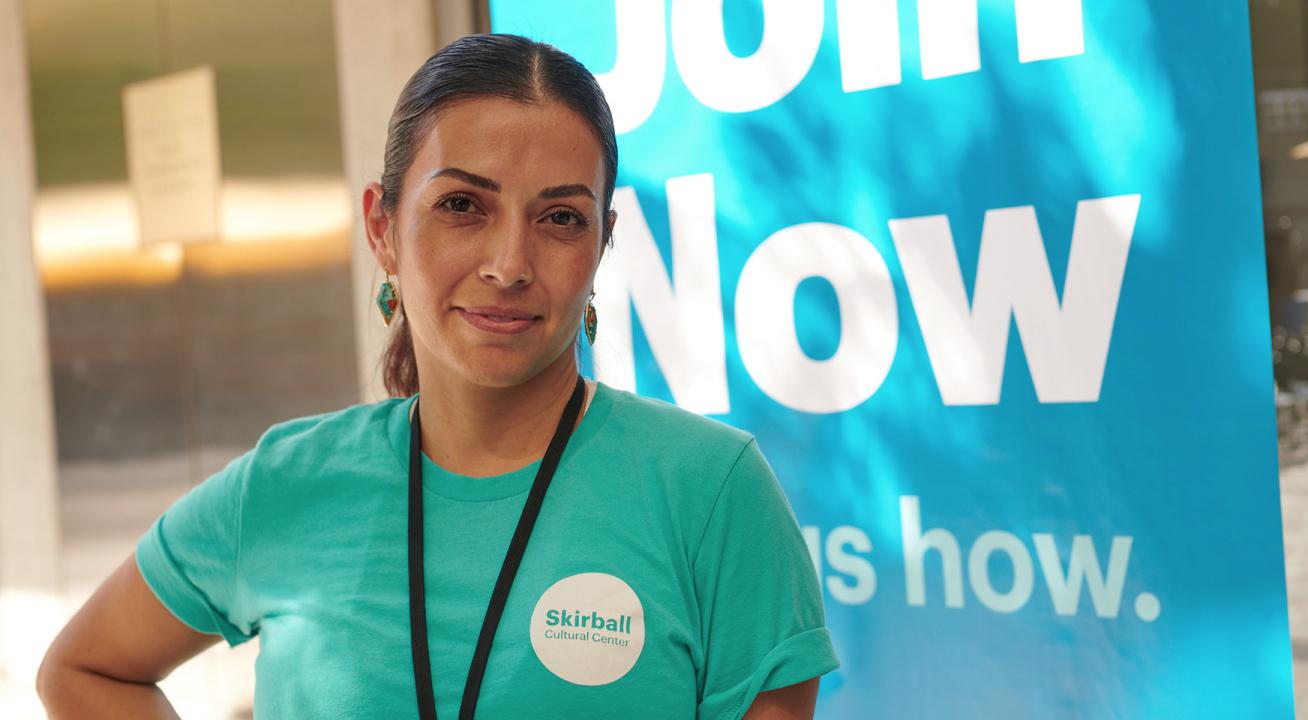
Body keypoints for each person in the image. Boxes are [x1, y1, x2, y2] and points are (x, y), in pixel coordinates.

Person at [36, 34, 838, 719]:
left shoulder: (709, 492)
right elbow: (82, 671)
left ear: (602, 244)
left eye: (560, 218)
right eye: (463, 206)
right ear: (383, 228)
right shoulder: (287, 483)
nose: (509, 265)